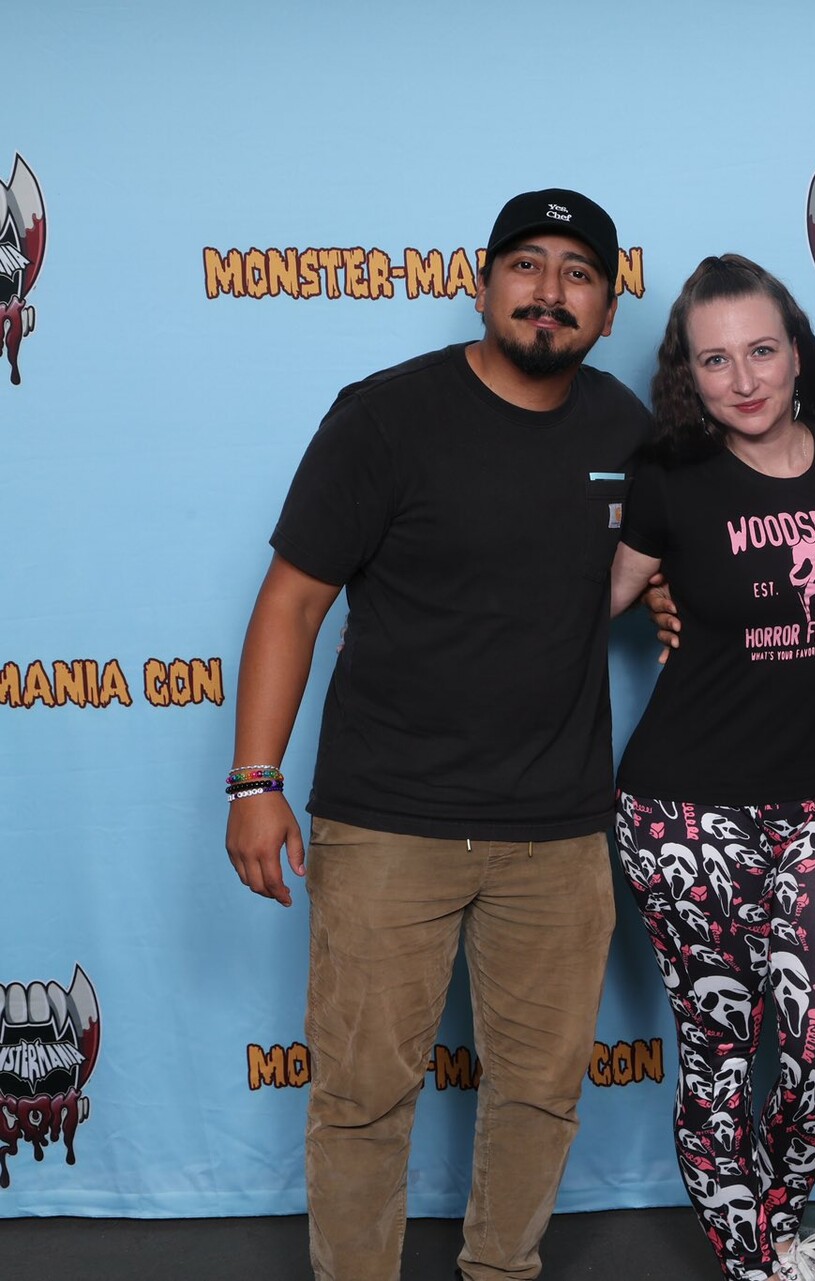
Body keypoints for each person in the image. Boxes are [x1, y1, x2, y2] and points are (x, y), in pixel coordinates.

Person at [223, 189, 650, 1281]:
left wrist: (672, 591)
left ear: (607, 309)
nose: (549, 291)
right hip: (387, 824)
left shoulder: (627, 430)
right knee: (362, 1096)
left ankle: (502, 1270)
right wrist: (254, 782)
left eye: (578, 273)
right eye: (527, 263)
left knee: (540, 1095)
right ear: (482, 284)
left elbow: (700, 524)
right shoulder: (385, 417)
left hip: (558, 832)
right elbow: (293, 602)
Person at [606, 255, 815, 1281]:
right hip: (683, 816)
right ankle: (754, 1258)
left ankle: (771, 1221)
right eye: (715, 360)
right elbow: (582, 603)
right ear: (687, 374)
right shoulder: (669, 478)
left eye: (762, 351)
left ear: (797, 351)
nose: (743, 380)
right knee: (721, 1059)